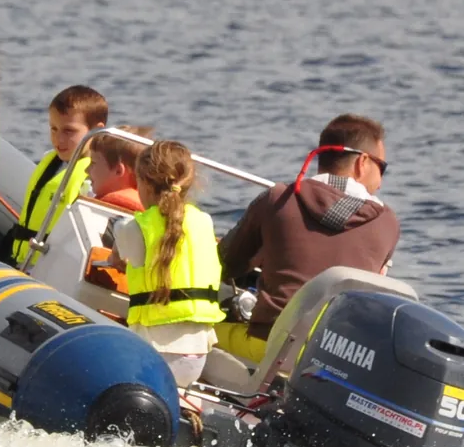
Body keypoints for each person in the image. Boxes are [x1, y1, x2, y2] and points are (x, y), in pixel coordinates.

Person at [212, 113, 400, 367]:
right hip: (334, 360)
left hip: (268, 350)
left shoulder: (277, 199)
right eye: (383, 169)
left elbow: (225, 264)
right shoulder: (388, 223)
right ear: (362, 163)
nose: (379, 183)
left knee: (195, 329)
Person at [110, 140, 225, 385]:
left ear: (143, 183)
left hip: (153, 355)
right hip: (196, 358)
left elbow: (118, 257)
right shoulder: (204, 222)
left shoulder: (133, 228)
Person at [7, 84, 107, 268]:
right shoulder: (50, 161)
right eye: (53, 129)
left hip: (54, 268)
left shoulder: (93, 177)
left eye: (69, 131)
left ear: (96, 131)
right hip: (23, 260)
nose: (58, 139)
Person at [85, 124, 150, 212]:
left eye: (93, 163)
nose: (86, 170)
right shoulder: (147, 205)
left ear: (118, 171)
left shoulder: (111, 207)